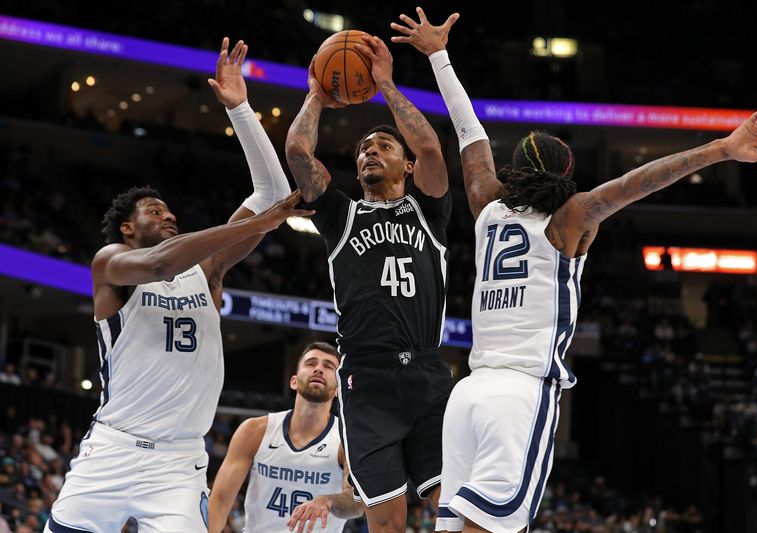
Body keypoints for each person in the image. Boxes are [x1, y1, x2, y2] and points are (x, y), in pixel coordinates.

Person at [392, 8, 757, 533]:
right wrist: (719, 149)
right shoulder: (569, 219)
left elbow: (469, 134)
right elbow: (638, 182)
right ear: (565, 178)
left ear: (517, 169)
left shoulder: (487, 205)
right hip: (519, 394)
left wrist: (438, 56)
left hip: (467, 393)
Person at [44, 37, 310, 532]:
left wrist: (241, 109)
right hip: (115, 447)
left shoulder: (205, 269)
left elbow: (272, 193)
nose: (168, 213)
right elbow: (162, 263)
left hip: (179, 463)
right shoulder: (113, 263)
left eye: (169, 209)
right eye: (154, 210)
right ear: (127, 227)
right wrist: (258, 225)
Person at [284, 34, 452, 533]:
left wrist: (385, 84)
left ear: (407, 166)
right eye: (363, 148)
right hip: (366, 382)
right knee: (387, 523)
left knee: (454, 510)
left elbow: (429, 144)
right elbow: (296, 150)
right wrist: (316, 93)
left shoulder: (429, 210)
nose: (370, 152)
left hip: (426, 376)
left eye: (383, 146)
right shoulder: (340, 215)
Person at [208, 342, 363, 532]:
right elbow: (220, 501)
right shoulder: (254, 431)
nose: (319, 369)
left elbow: (357, 503)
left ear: (338, 389)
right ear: (294, 381)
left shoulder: (346, 439)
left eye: (328, 366)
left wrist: (328, 501)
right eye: (311, 363)